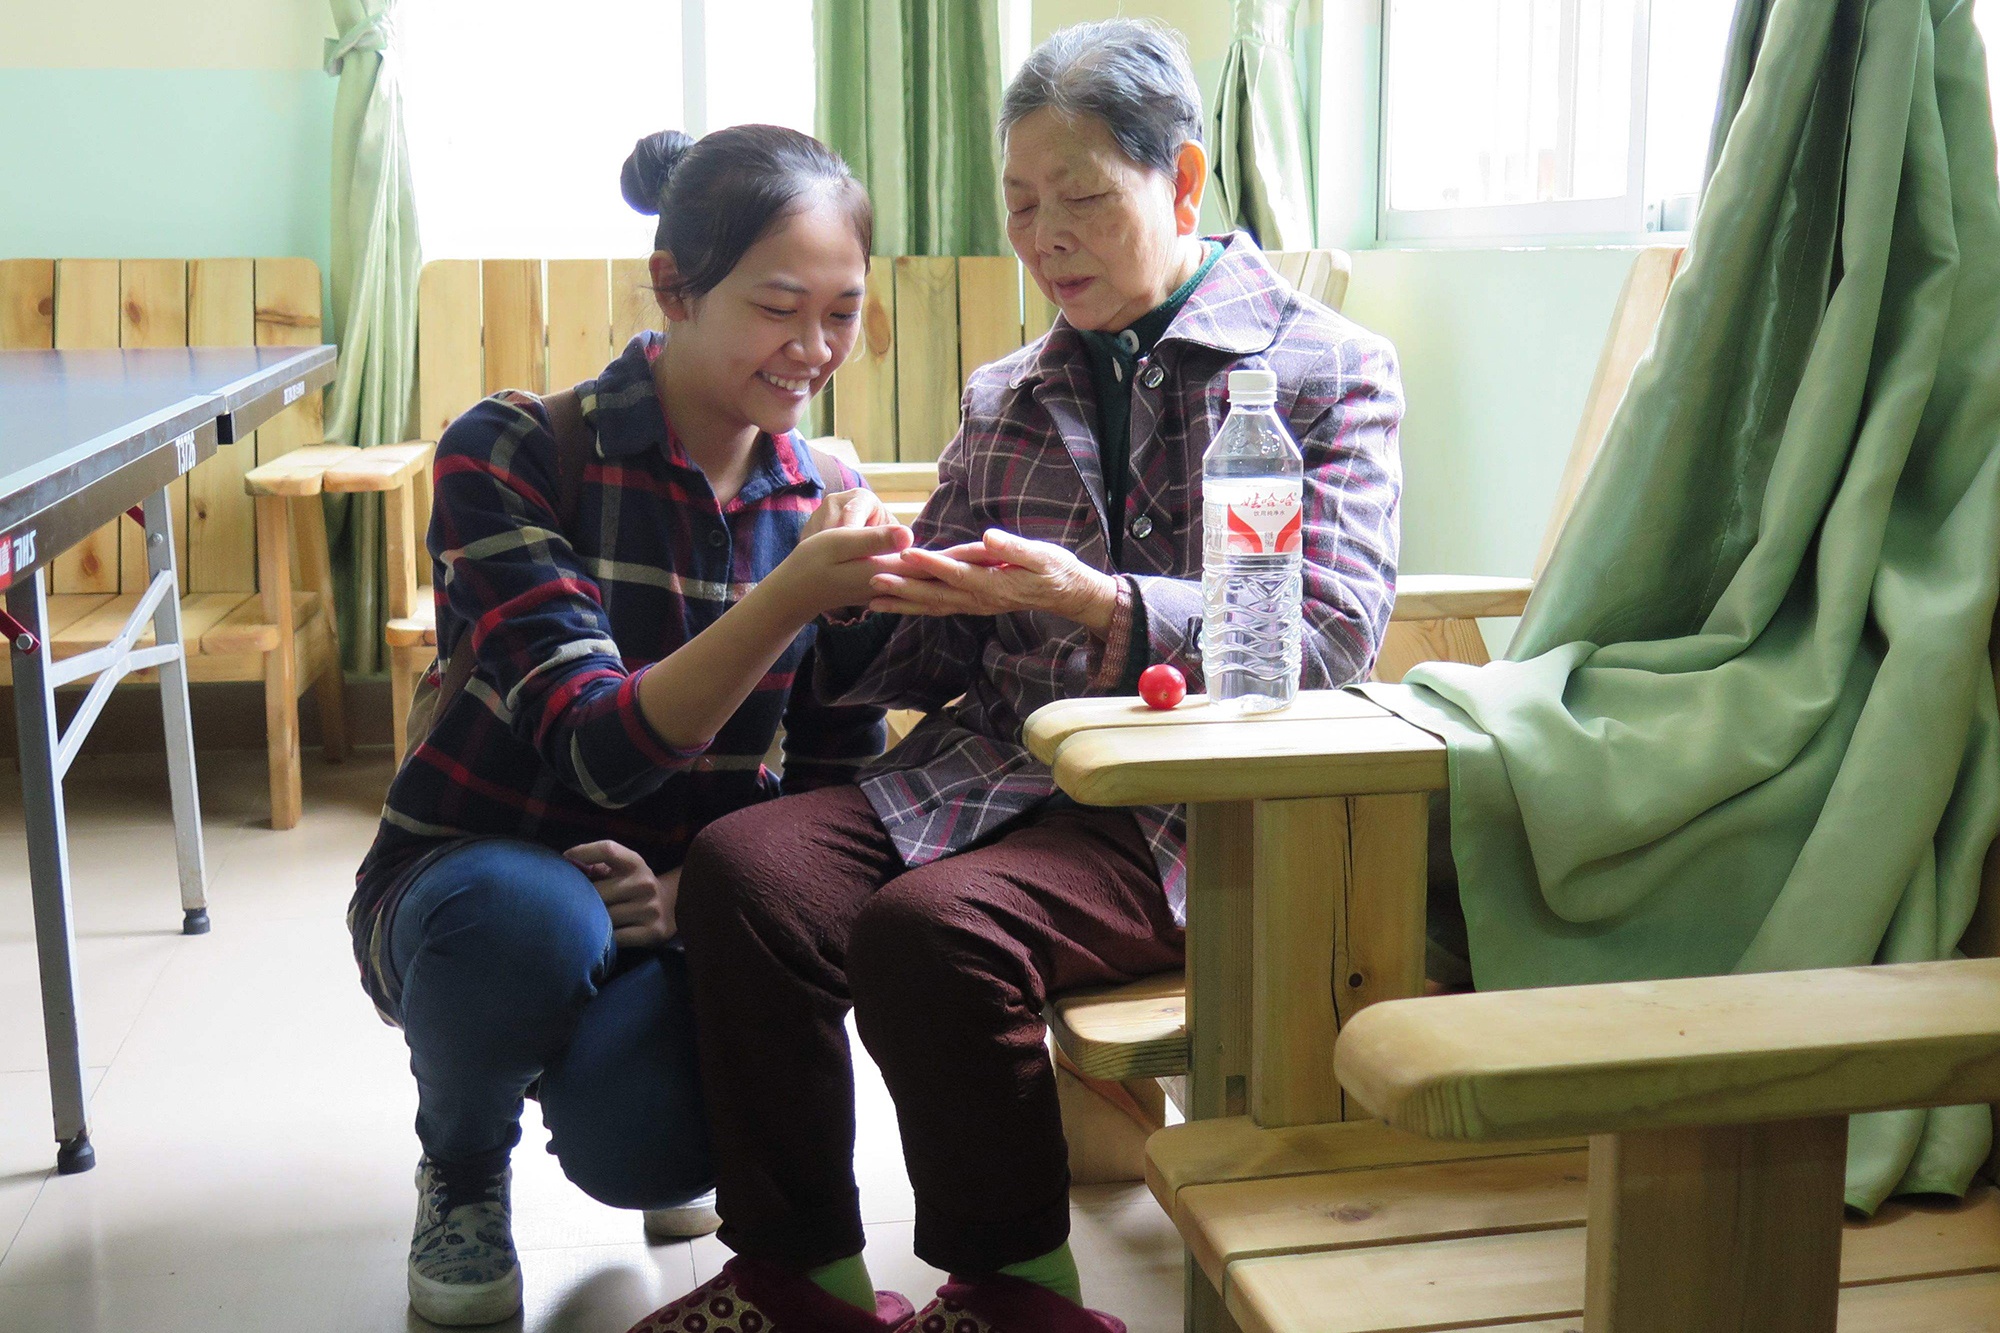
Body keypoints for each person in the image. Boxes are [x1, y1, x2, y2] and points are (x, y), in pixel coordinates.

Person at [625, 19, 1405, 1333]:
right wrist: (854, 588)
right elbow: (930, 644)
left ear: (1187, 182)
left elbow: (1329, 630)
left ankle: (1015, 1294)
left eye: (1085, 198)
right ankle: (795, 1273)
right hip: (993, 773)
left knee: (934, 934)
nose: (1048, 237)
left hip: (1194, 804)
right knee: (753, 872)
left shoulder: (1329, 372)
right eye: (1023, 207)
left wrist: (1096, 604)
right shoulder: (1007, 394)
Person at [346, 124, 911, 1327]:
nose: (812, 349)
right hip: (469, 882)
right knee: (522, 922)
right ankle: (460, 1160)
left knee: (659, 1142)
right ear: (674, 286)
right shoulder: (512, 448)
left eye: (842, 312)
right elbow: (596, 746)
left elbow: (830, 788)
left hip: (669, 902)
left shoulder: (820, 499)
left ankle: (626, 1057)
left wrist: (695, 890)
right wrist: (793, 595)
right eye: (776, 307)